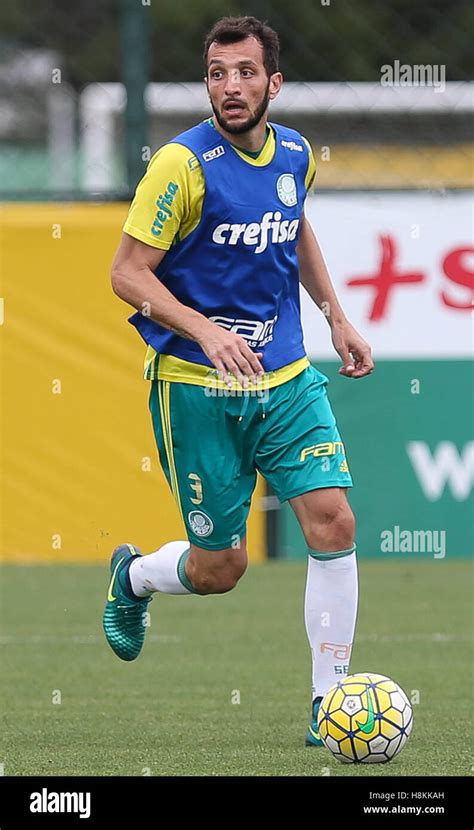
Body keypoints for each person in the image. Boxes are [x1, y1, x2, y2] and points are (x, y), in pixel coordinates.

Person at [103, 15, 374, 747]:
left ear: (273, 83)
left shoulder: (294, 153)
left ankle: (330, 703)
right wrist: (205, 329)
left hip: (285, 376)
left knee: (334, 520)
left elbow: (295, 226)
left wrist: (335, 316)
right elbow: (126, 273)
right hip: (197, 387)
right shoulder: (181, 166)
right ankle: (133, 579)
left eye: (246, 72)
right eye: (218, 73)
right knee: (221, 568)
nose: (231, 86)